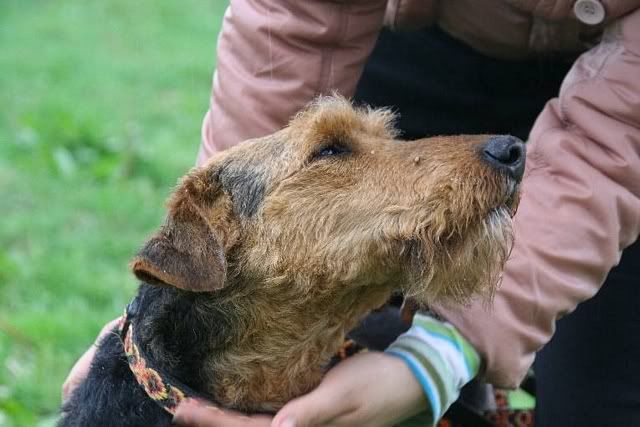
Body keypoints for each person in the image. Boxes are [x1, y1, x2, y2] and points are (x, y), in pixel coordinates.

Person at [64, 1, 640, 426]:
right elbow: (289, 32)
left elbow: (621, 133)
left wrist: (439, 358)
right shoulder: (218, 231)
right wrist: (150, 334)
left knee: (599, 404)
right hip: (404, 42)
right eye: (335, 152)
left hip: (621, 115)